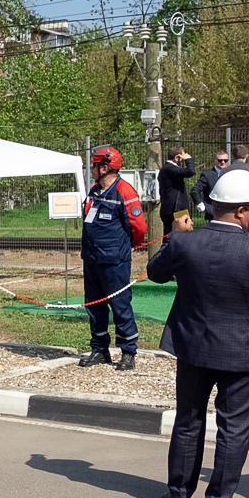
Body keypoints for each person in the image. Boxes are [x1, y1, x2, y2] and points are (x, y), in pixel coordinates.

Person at [150, 169, 249, 498]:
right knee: (234, 428)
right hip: (242, 352)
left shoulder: (185, 242)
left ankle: (179, 493)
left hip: (193, 348)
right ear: (241, 210)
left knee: (189, 419)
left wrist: (172, 238)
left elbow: (156, 273)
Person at [78, 146, 148, 371]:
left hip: (114, 261)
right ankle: (99, 348)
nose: (92, 170)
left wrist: (128, 246)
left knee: (120, 305)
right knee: (94, 305)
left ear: (105, 167)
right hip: (92, 260)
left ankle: (128, 351)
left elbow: (138, 227)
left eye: (95, 166)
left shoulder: (125, 192)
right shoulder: (94, 191)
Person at [159, 145, 196, 234]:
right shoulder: (169, 168)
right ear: (177, 157)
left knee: (175, 236)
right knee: (182, 235)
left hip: (174, 208)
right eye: (182, 156)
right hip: (176, 208)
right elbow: (190, 172)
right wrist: (188, 160)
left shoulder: (168, 169)